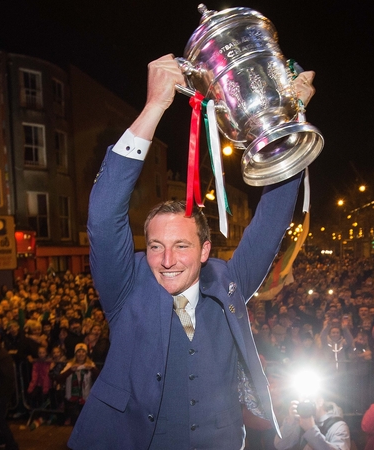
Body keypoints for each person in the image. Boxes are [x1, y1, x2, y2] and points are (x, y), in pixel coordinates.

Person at [67, 54, 315, 450]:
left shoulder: (230, 282)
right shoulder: (125, 286)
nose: (166, 260)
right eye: (155, 246)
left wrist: (288, 122)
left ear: (204, 250)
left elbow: (270, 222)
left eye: (181, 246)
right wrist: (155, 107)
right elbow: (102, 215)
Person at [274, 396, 351, 450]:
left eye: (309, 399)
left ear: (320, 401)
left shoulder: (337, 425)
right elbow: (280, 445)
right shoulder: (300, 422)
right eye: (302, 400)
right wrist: (290, 421)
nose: (306, 403)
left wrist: (311, 431)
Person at [57, 342, 98, 425]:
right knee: (74, 422)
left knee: (85, 423)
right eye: (79, 352)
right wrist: (70, 370)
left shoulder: (91, 364)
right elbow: (59, 378)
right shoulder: (69, 365)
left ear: (86, 353)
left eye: (83, 352)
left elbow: (98, 378)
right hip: (72, 400)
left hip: (86, 399)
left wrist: (92, 369)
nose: (81, 354)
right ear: (75, 353)